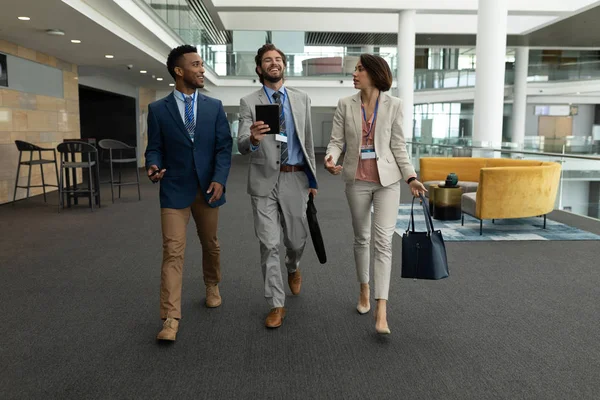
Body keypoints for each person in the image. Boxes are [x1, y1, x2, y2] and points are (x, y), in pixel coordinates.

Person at [324, 54, 427, 335]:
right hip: (356, 180)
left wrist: (411, 177)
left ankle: (382, 310)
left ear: (374, 73)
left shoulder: (394, 105)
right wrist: (330, 158)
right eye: (355, 69)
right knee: (362, 238)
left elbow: (398, 146)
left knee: (383, 241)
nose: (354, 74)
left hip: (388, 181)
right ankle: (364, 290)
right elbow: (336, 141)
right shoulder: (346, 104)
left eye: (359, 69)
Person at [145, 45, 233, 341]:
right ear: (179, 71)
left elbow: (223, 146)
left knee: (211, 245)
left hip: (208, 188)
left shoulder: (214, 106)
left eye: (202, 64)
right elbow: (154, 146)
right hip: (174, 189)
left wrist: (220, 178)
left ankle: (212, 284)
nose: (202, 69)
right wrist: (153, 164)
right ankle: (170, 318)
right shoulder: (158, 109)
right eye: (196, 64)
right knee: (172, 252)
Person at [237, 44, 318, 329]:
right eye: (268, 60)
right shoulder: (249, 101)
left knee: (295, 241)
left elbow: (307, 142)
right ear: (259, 68)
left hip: (295, 177)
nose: (274, 63)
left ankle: (293, 267)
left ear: (284, 65)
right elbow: (242, 145)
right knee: (269, 243)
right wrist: (254, 138)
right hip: (263, 180)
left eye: (278, 60)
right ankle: (276, 303)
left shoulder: (301, 98)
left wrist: (313, 179)